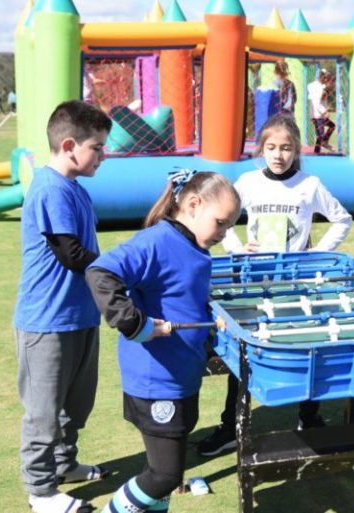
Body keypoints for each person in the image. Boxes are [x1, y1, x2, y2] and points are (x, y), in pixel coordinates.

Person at [197, 113, 353, 457]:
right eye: (271, 147)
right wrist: (238, 249)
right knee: (245, 352)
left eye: (285, 148)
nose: (279, 154)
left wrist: (315, 256)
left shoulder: (309, 184)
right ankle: (231, 428)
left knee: (306, 345)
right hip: (254, 283)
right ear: (261, 149)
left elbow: (343, 218)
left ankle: (309, 417)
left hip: (296, 285)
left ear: (296, 149)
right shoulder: (248, 182)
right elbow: (222, 219)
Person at [86, 170, 241, 513]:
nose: (225, 233)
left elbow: (182, 295)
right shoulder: (157, 241)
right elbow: (101, 273)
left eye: (230, 225)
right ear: (193, 204)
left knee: (166, 472)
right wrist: (134, 323)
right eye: (221, 222)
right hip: (157, 381)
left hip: (180, 377)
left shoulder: (193, 245)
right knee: (166, 474)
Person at [13, 99, 112, 513]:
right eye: (98, 147)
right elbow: (70, 253)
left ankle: (64, 465)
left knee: (77, 404)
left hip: (80, 317)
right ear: (70, 145)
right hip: (46, 321)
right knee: (43, 413)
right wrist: (119, 268)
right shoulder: (51, 187)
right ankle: (41, 492)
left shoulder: (74, 188)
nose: (103, 156)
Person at [307, 69, 335, 154]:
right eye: (326, 78)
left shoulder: (316, 86)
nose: (327, 81)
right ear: (323, 77)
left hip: (316, 115)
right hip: (318, 115)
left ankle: (322, 144)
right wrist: (324, 112)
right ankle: (318, 150)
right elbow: (316, 102)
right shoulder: (318, 88)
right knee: (320, 135)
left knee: (331, 126)